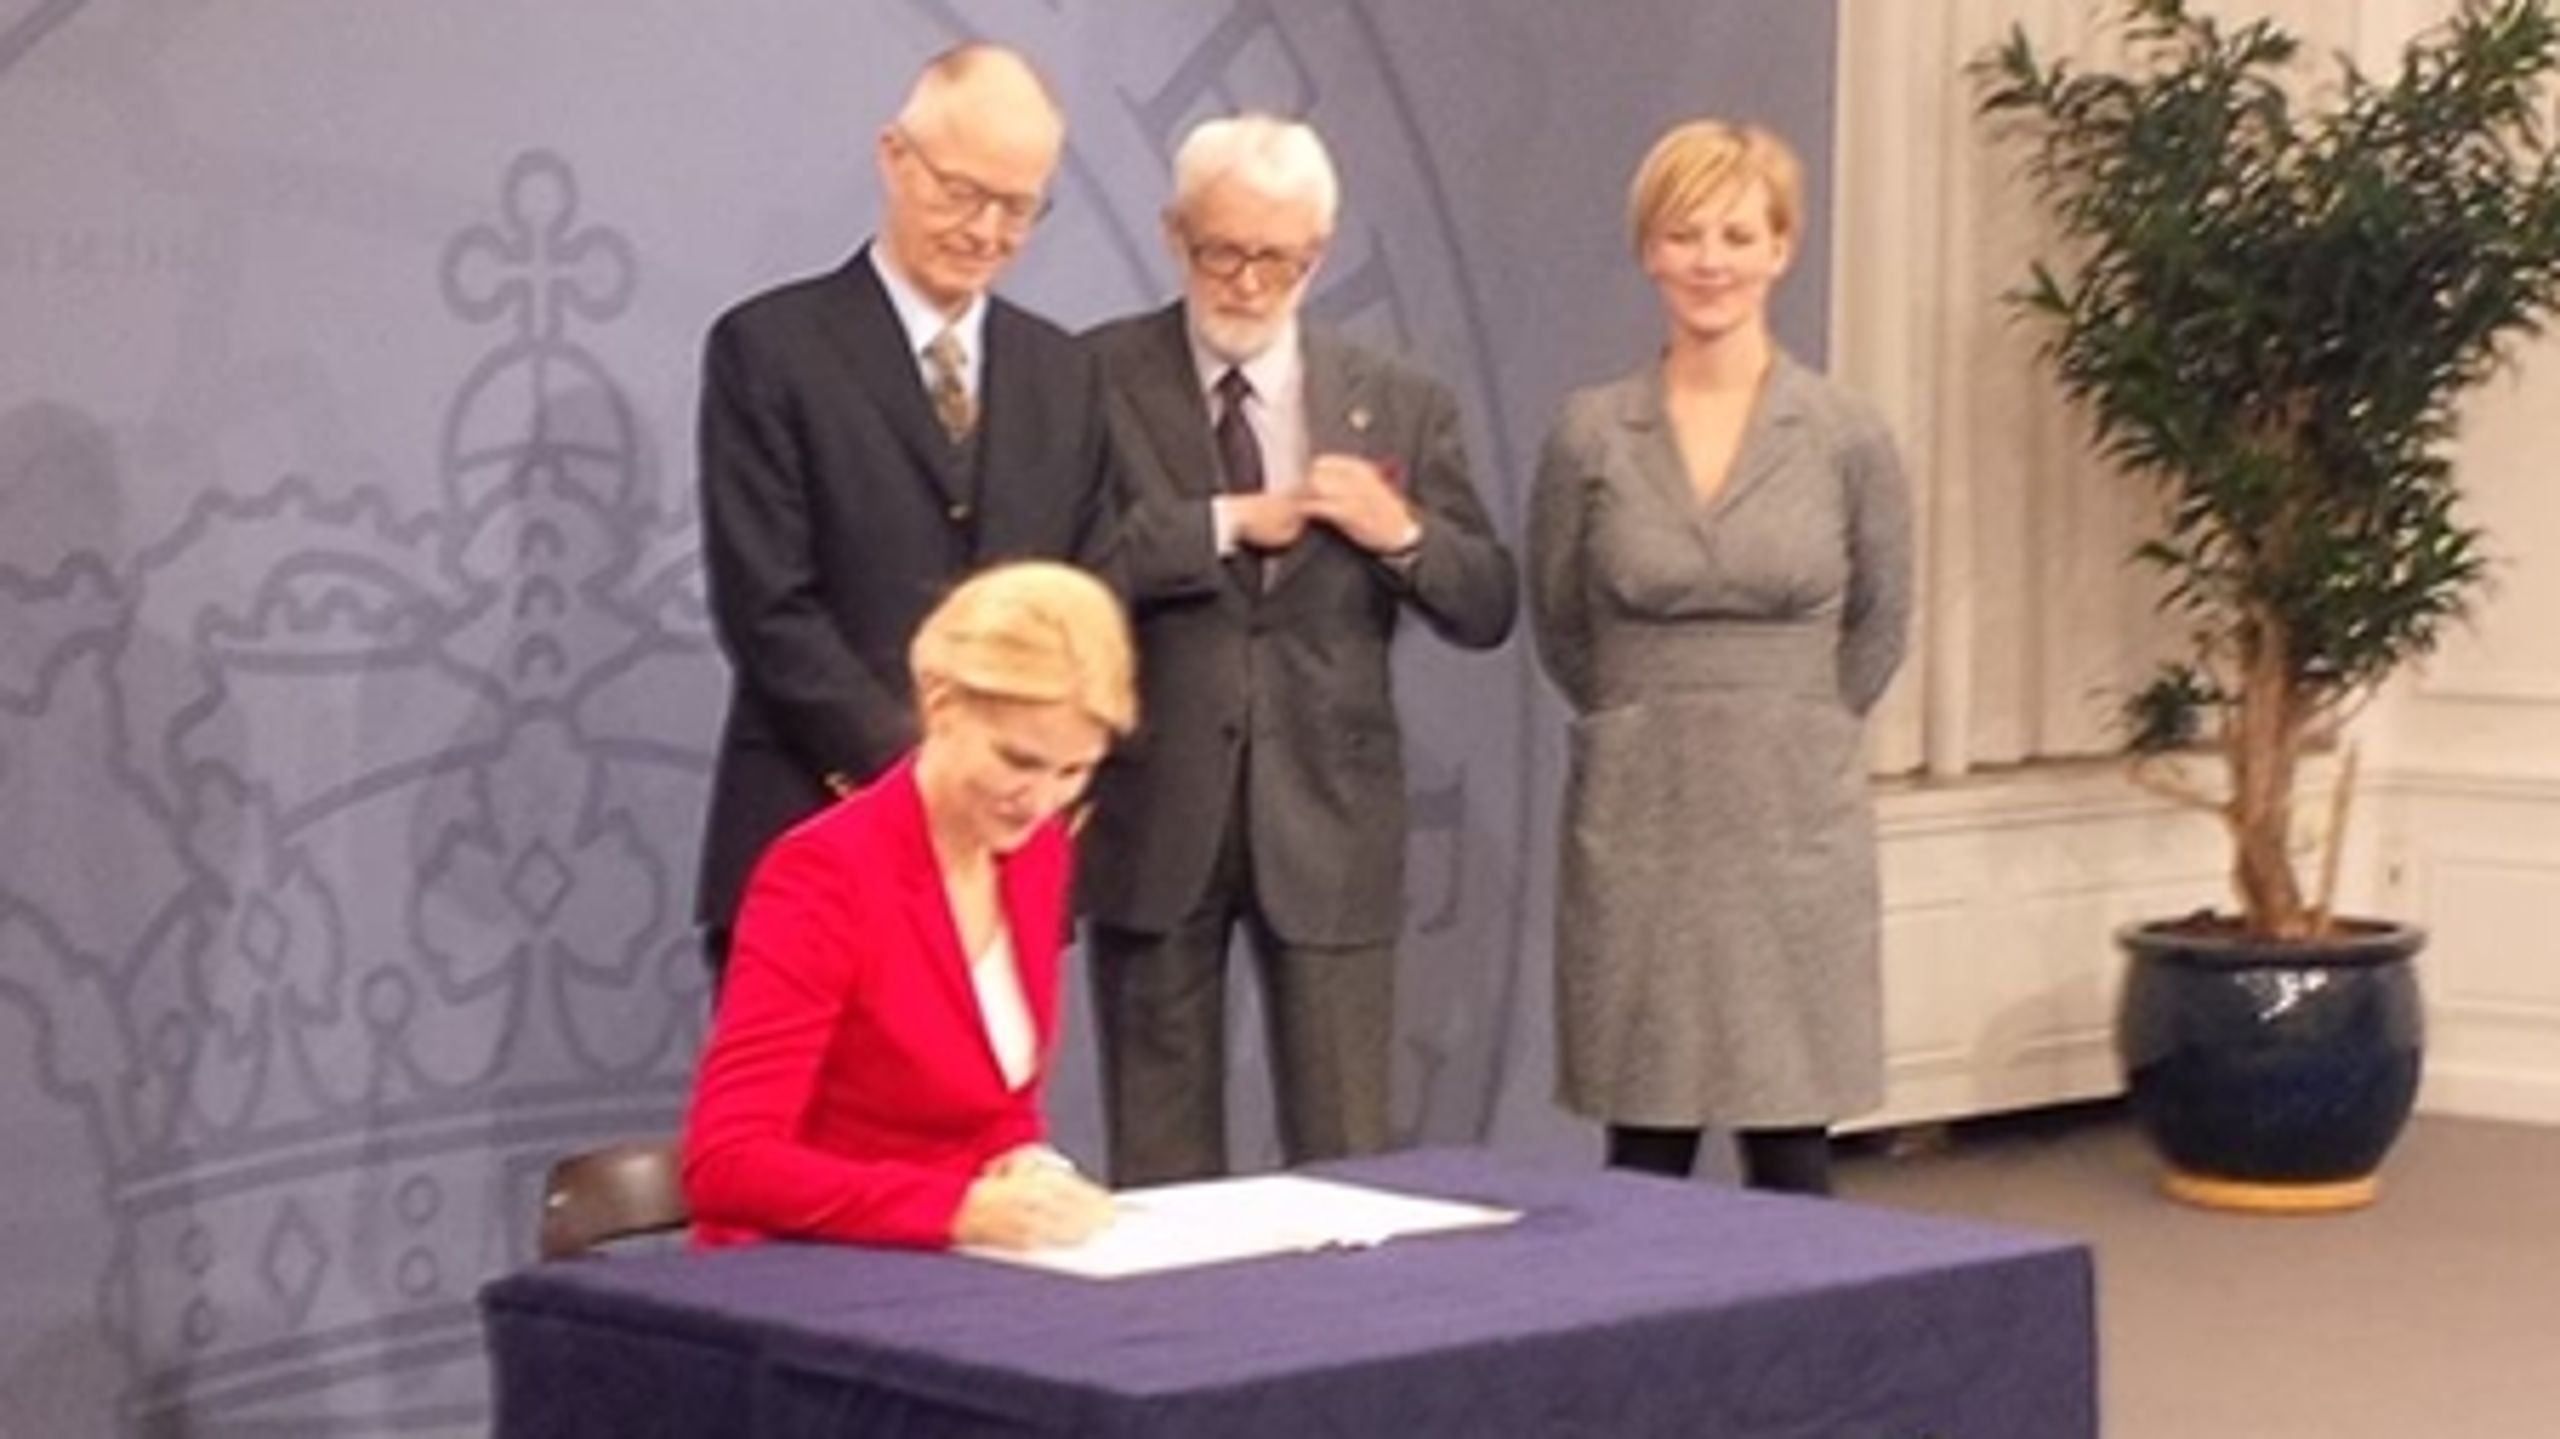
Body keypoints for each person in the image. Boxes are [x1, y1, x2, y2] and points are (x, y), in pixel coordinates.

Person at [1079, 113, 1518, 1186]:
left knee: (1344, 1158)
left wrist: (1397, 533)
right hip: (1154, 813)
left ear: (1316, 258)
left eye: (1275, 257)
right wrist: (1221, 523)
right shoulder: (1091, 377)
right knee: (1160, 1168)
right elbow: (1059, 570)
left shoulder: (1398, 403)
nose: (1244, 280)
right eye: (1221, 250)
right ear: (1175, 235)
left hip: (1329, 816)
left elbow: (1486, 600)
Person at [1528, 120, 1913, 1196]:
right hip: (1640, 806)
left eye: (1737, 233)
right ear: (1648, 250)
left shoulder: (1845, 434)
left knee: (1792, 1142)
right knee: (1642, 1144)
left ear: (1781, 248)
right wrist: (1644, 717)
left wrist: (1796, 723)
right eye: (1684, 233)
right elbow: (1561, 621)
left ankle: (1814, 1365)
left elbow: (1880, 622)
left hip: (1792, 812)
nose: (1710, 260)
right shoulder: (1590, 432)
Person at [693, 43, 1117, 975]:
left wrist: (1016, 784)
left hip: (1003, 874)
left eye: (1019, 207)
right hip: (814, 826)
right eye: (962, 192)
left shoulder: (1067, 375)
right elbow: (770, 609)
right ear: (895, 157)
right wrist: (933, 781)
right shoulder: (770, 349)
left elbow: (1089, 591)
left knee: (987, 1126)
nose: (985, 230)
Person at [682, 561, 1133, 1250]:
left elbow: (994, 1107)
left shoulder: (1036, 853)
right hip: (804, 1277)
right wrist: (956, 1208)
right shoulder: (825, 875)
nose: (1041, 800)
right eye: (1018, 760)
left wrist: (1030, 1167)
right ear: (940, 705)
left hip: (963, 1268)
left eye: (1072, 772)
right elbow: (728, 1164)